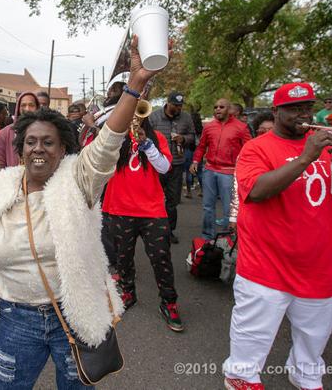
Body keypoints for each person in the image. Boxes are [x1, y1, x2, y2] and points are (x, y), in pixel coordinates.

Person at [0, 35, 158, 389]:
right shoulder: (5, 183)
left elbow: (109, 142)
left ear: (63, 148)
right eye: (31, 142)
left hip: (71, 316)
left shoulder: (78, 178)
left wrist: (135, 85)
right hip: (14, 318)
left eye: (48, 142)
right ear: (19, 150)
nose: (38, 149)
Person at [223, 82, 332, 390]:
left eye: (307, 108)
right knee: (252, 338)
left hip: (319, 268)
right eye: (293, 109)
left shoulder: (329, 147)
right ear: (276, 112)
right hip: (265, 267)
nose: (302, 115)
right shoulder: (256, 148)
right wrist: (305, 158)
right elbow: (257, 191)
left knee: (314, 342)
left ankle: (306, 377)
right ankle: (242, 379)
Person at [101, 112, 182, 331]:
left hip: (152, 210)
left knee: (161, 258)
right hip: (119, 208)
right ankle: (128, 293)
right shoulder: (115, 138)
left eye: (138, 113)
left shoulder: (156, 138)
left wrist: (146, 143)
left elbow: (164, 168)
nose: (133, 117)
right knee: (123, 257)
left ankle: (169, 302)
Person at [190, 98, 252, 240]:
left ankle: (227, 240)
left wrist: (245, 169)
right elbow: (201, 146)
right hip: (209, 170)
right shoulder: (209, 127)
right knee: (207, 207)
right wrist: (195, 161)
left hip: (229, 172)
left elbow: (248, 149)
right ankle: (207, 237)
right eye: (216, 106)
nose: (218, 109)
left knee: (228, 209)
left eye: (222, 107)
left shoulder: (241, 127)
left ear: (229, 109)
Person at [148, 91, 195, 243]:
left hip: (176, 164)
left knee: (172, 201)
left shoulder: (186, 118)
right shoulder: (154, 116)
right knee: (154, 199)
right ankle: (152, 230)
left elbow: (192, 136)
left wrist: (184, 138)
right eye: (175, 105)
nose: (178, 108)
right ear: (168, 103)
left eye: (180, 106)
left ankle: (169, 231)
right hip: (157, 165)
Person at [0, 92, 39, 168]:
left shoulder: (45, 132)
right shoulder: (4, 133)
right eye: (23, 105)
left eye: (31, 105)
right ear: (18, 108)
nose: (27, 109)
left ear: (37, 108)